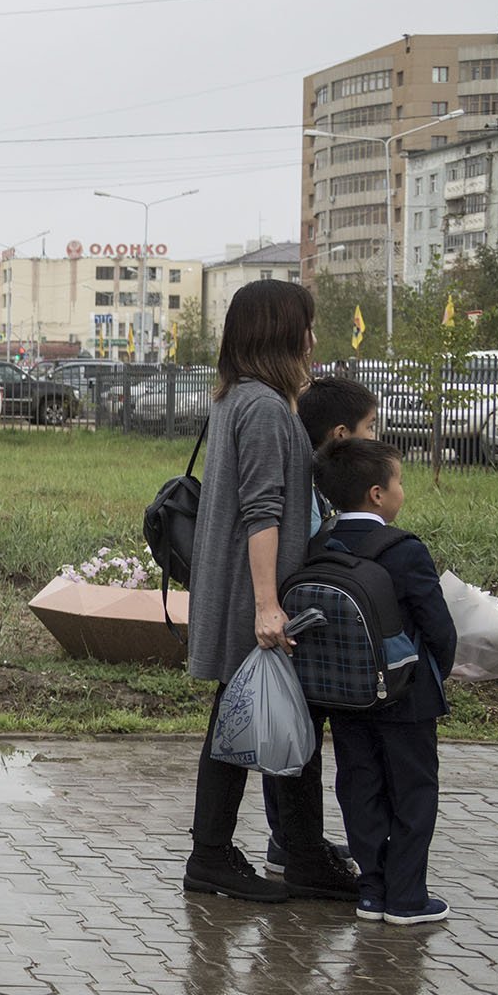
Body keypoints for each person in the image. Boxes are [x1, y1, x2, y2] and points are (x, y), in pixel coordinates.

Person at [182, 279, 355, 905]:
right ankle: (217, 857)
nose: (313, 339)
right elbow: (263, 512)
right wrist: (266, 604)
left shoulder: (243, 399)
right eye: (305, 326)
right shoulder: (259, 407)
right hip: (250, 592)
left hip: (244, 587)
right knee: (243, 720)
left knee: (257, 715)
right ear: (280, 332)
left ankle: (286, 851)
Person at [312, 439, 456, 926]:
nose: (401, 490)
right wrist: (442, 667)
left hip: (347, 696)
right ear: (377, 494)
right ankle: (408, 897)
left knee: (360, 786)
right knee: (414, 790)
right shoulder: (405, 550)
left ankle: (371, 891)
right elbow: (438, 628)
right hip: (406, 695)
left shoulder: (321, 544)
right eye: (399, 481)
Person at [256, 372, 387, 879]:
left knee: (297, 739)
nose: (373, 436)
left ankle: (293, 839)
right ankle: (290, 841)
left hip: (303, 627)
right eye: (368, 427)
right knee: (295, 741)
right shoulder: (305, 487)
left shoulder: (316, 482)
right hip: (297, 629)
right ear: (339, 434)